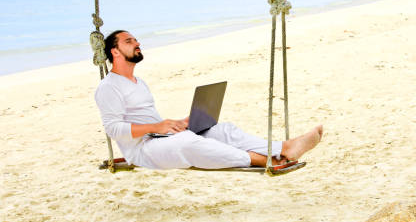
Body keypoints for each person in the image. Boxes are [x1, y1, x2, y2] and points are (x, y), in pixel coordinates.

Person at [95, 30, 322, 170]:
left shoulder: (138, 81)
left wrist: (180, 123)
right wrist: (158, 126)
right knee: (187, 143)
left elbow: (149, 121)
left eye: (136, 39)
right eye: (129, 41)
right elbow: (114, 128)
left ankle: (283, 147)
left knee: (221, 131)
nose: (137, 43)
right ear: (114, 52)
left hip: (160, 137)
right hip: (142, 151)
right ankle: (263, 160)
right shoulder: (108, 87)